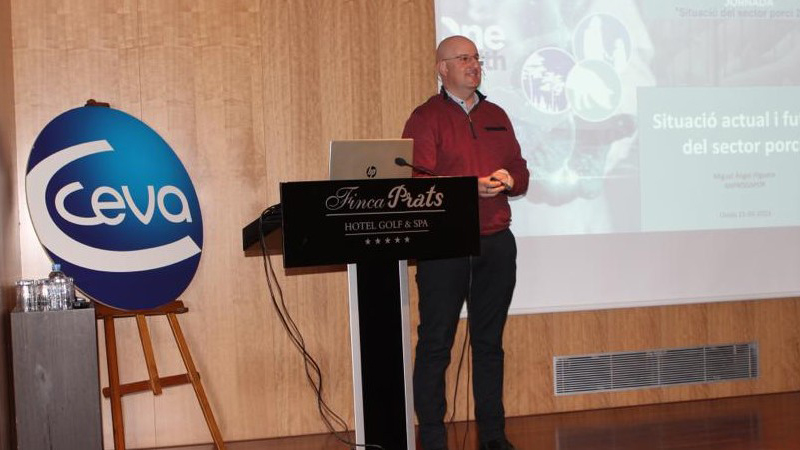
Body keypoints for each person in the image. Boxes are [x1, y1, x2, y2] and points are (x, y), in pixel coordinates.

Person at [402, 35, 530, 450]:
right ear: (442, 68)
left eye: (476, 58)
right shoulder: (425, 118)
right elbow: (415, 181)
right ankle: (434, 440)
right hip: (444, 248)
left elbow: (520, 170)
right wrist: (466, 189)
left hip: (496, 242)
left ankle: (494, 436)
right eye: (463, 58)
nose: (473, 65)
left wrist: (510, 180)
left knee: (489, 344)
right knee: (436, 343)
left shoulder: (497, 114)